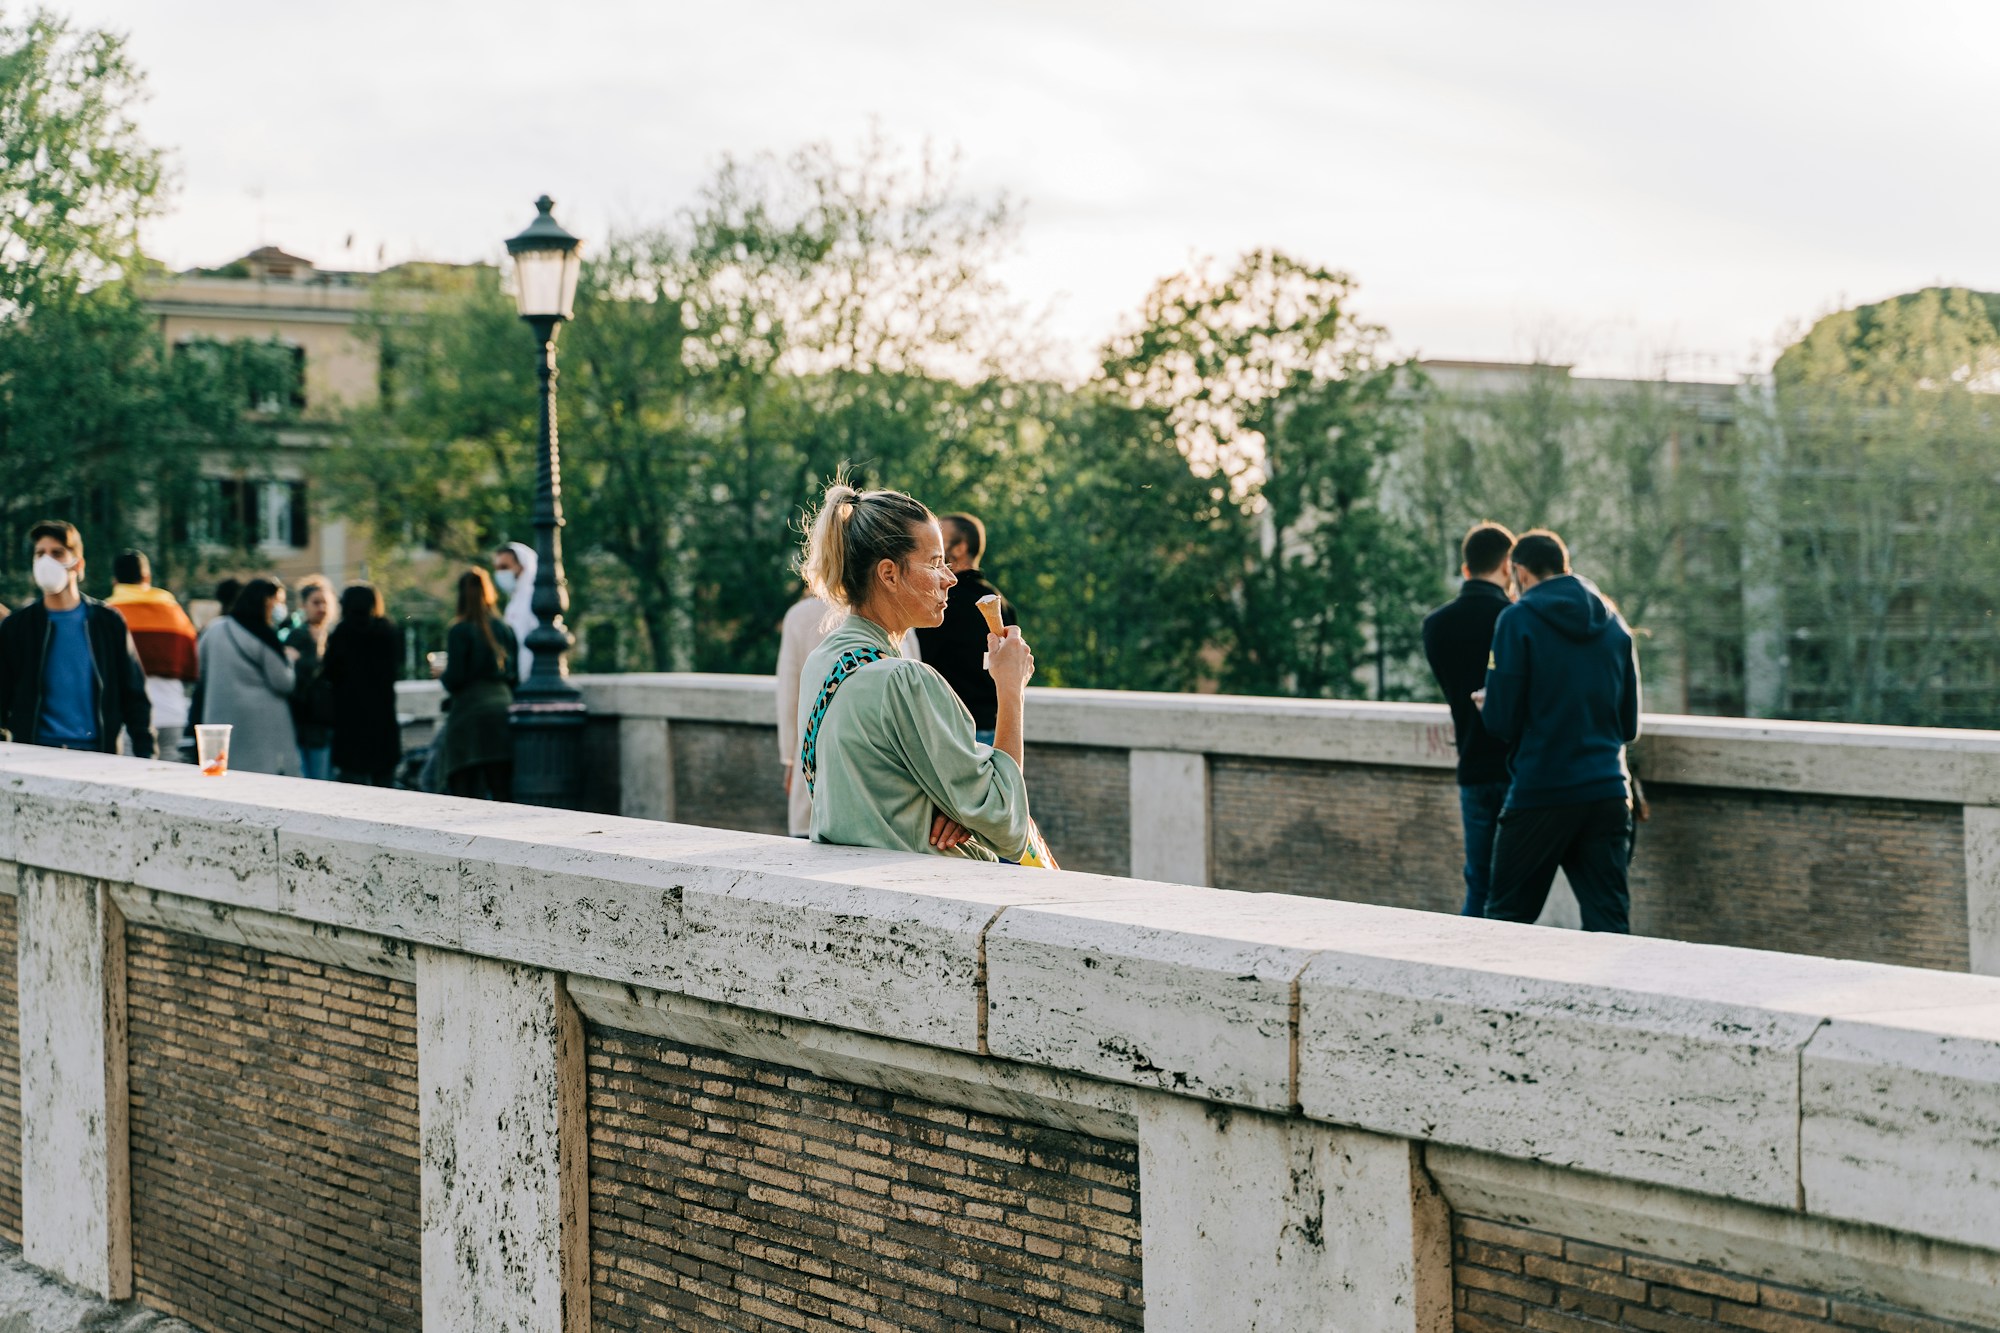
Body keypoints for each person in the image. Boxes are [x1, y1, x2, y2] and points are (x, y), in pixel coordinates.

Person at [795, 482, 1034, 860]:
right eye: (936, 563)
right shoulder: (905, 681)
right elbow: (1006, 824)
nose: (951, 579)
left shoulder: (822, 663)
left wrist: (955, 805)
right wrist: (1011, 688)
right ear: (889, 574)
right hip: (934, 898)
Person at [1478, 530, 1642, 933]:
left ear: (1520, 571)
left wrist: (1490, 701)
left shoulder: (1516, 619)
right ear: (1564, 566)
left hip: (1542, 790)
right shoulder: (1614, 623)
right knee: (1610, 925)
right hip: (1606, 790)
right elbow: (1628, 725)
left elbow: (1501, 722)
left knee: (1504, 922)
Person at [1421, 521, 1516, 917]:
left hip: (1472, 768)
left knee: (1478, 882)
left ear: (1465, 570)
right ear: (1509, 568)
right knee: (1514, 887)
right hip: (1516, 769)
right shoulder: (1514, 619)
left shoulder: (1435, 625)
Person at [0, 520, 153, 756]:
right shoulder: (18, 626)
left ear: (78, 564)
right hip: (34, 754)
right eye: (39, 554)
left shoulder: (108, 622)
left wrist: (147, 757)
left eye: (57, 553)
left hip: (98, 755)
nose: (46, 561)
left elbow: (134, 695)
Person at [775, 595, 921, 837]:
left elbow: (790, 694)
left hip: (816, 757)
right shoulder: (893, 609)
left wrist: (790, 759)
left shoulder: (798, 615)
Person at [913, 512, 1016, 745]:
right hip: (993, 728)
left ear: (960, 547)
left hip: (954, 731)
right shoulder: (1003, 602)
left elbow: (918, 660)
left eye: (941, 536)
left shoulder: (943, 602)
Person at [198, 577, 300, 776]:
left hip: (219, 721)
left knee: (225, 775)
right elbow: (283, 683)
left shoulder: (215, 628)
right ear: (266, 601)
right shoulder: (264, 635)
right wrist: (290, 660)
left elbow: (200, 668)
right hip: (261, 726)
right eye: (277, 601)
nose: (280, 607)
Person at [107, 549, 200, 760]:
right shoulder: (173, 611)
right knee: (169, 777)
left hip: (127, 718)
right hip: (172, 713)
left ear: (114, 581)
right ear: (147, 577)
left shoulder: (109, 613)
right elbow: (192, 665)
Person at [438, 568, 519, 800]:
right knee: (500, 786)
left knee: (463, 785)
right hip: (501, 708)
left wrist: (442, 674)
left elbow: (456, 678)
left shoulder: (459, 630)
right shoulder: (504, 628)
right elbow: (514, 676)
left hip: (470, 712)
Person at [323, 583, 404, 787]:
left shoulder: (341, 633)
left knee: (352, 784)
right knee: (384, 785)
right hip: (382, 717)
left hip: (349, 718)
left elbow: (330, 673)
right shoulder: (387, 631)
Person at [286, 575, 338, 779]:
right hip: (304, 720)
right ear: (304, 605)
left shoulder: (330, 635)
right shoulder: (298, 636)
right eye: (316, 603)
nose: (322, 608)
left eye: (325, 602)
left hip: (324, 721)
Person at [493, 541, 537, 684]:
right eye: (498, 568)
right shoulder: (514, 601)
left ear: (523, 567)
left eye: (505, 567)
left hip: (531, 680)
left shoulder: (534, 598)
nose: (500, 573)